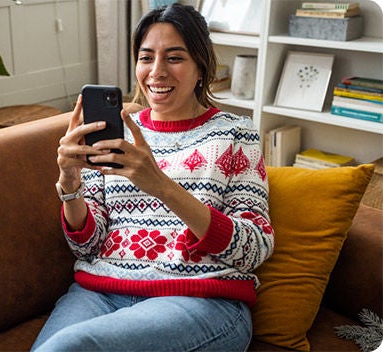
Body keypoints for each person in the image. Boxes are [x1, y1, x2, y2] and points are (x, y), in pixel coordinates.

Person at [31, 3, 274, 351]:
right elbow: (86, 244)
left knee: (71, 346)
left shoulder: (236, 134)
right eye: (146, 58)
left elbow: (255, 247)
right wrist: (70, 182)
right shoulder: (117, 134)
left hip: (200, 300)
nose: (156, 72)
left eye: (174, 58)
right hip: (100, 292)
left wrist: (160, 184)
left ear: (201, 67)